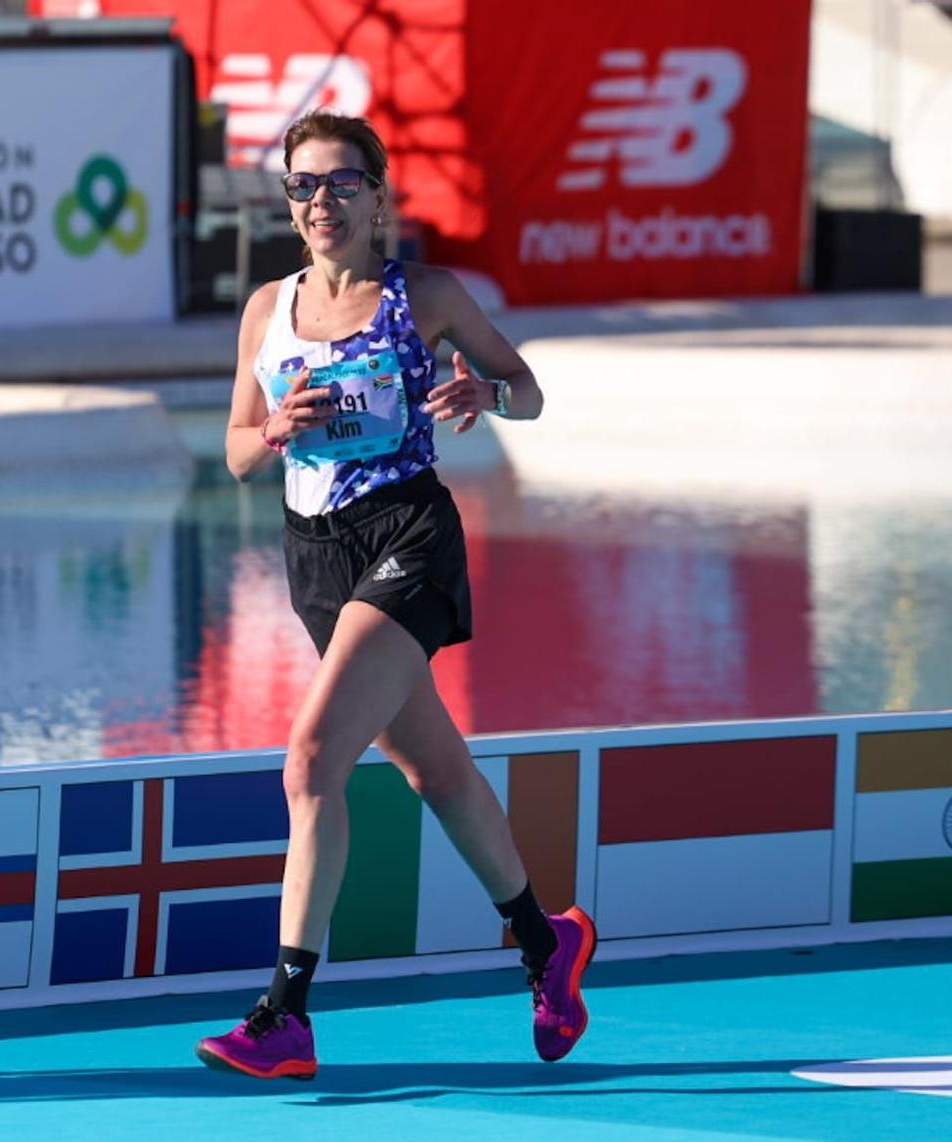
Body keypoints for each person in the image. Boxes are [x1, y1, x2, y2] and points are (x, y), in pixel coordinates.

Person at [195, 110, 596, 1081]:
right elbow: (235, 451)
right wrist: (277, 427)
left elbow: (528, 388)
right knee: (435, 771)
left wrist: (482, 397)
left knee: (309, 760)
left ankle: (285, 1011)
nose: (319, 203)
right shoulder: (266, 310)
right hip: (315, 559)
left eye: (339, 183)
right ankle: (547, 942)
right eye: (301, 186)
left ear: (378, 195)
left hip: (406, 535)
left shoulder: (423, 295)